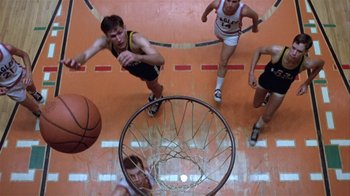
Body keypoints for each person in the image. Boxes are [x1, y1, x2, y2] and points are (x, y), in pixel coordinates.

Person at [61, 15, 165, 117]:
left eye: (120, 33)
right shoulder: (105, 42)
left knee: (152, 85)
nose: (119, 39)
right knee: (145, 80)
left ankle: (159, 97)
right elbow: (85, 55)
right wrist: (75, 61)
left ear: (125, 28)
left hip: (149, 66)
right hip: (134, 69)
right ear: (107, 36)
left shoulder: (136, 39)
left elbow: (160, 59)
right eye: (113, 36)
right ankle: (155, 92)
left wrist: (138, 57)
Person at [248, 33, 325, 146]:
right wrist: (251, 73)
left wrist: (306, 83)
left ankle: (257, 127)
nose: (294, 53)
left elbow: (321, 64)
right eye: (293, 48)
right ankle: (268, 95)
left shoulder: (307, 63)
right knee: (256, 104)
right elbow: (258, 50)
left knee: (268, 116)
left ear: (305, 52)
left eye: (299, 51)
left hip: (280, 88)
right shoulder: (277, 51)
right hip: (265, 82)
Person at [201, 0, 259, 103]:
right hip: (218, 30)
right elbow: (209, 8)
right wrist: (204, 16)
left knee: (223, 61)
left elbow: (255, 16)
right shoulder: (217, 4)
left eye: (234, 1)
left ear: (239, 1)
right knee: (221, 41)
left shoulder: (244, 10)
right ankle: (225, 45)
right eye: (228, 0)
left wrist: (255, 27)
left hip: (232, 36)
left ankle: (218, 89)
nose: (230, 5)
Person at [0, 42, 44, 117]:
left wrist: (28, 74)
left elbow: (24, 55)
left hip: (22, 76)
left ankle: (34, 93)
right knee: (33, 107)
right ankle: (37, 112)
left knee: (32, 88)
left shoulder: (7, 48)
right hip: (10, 88)